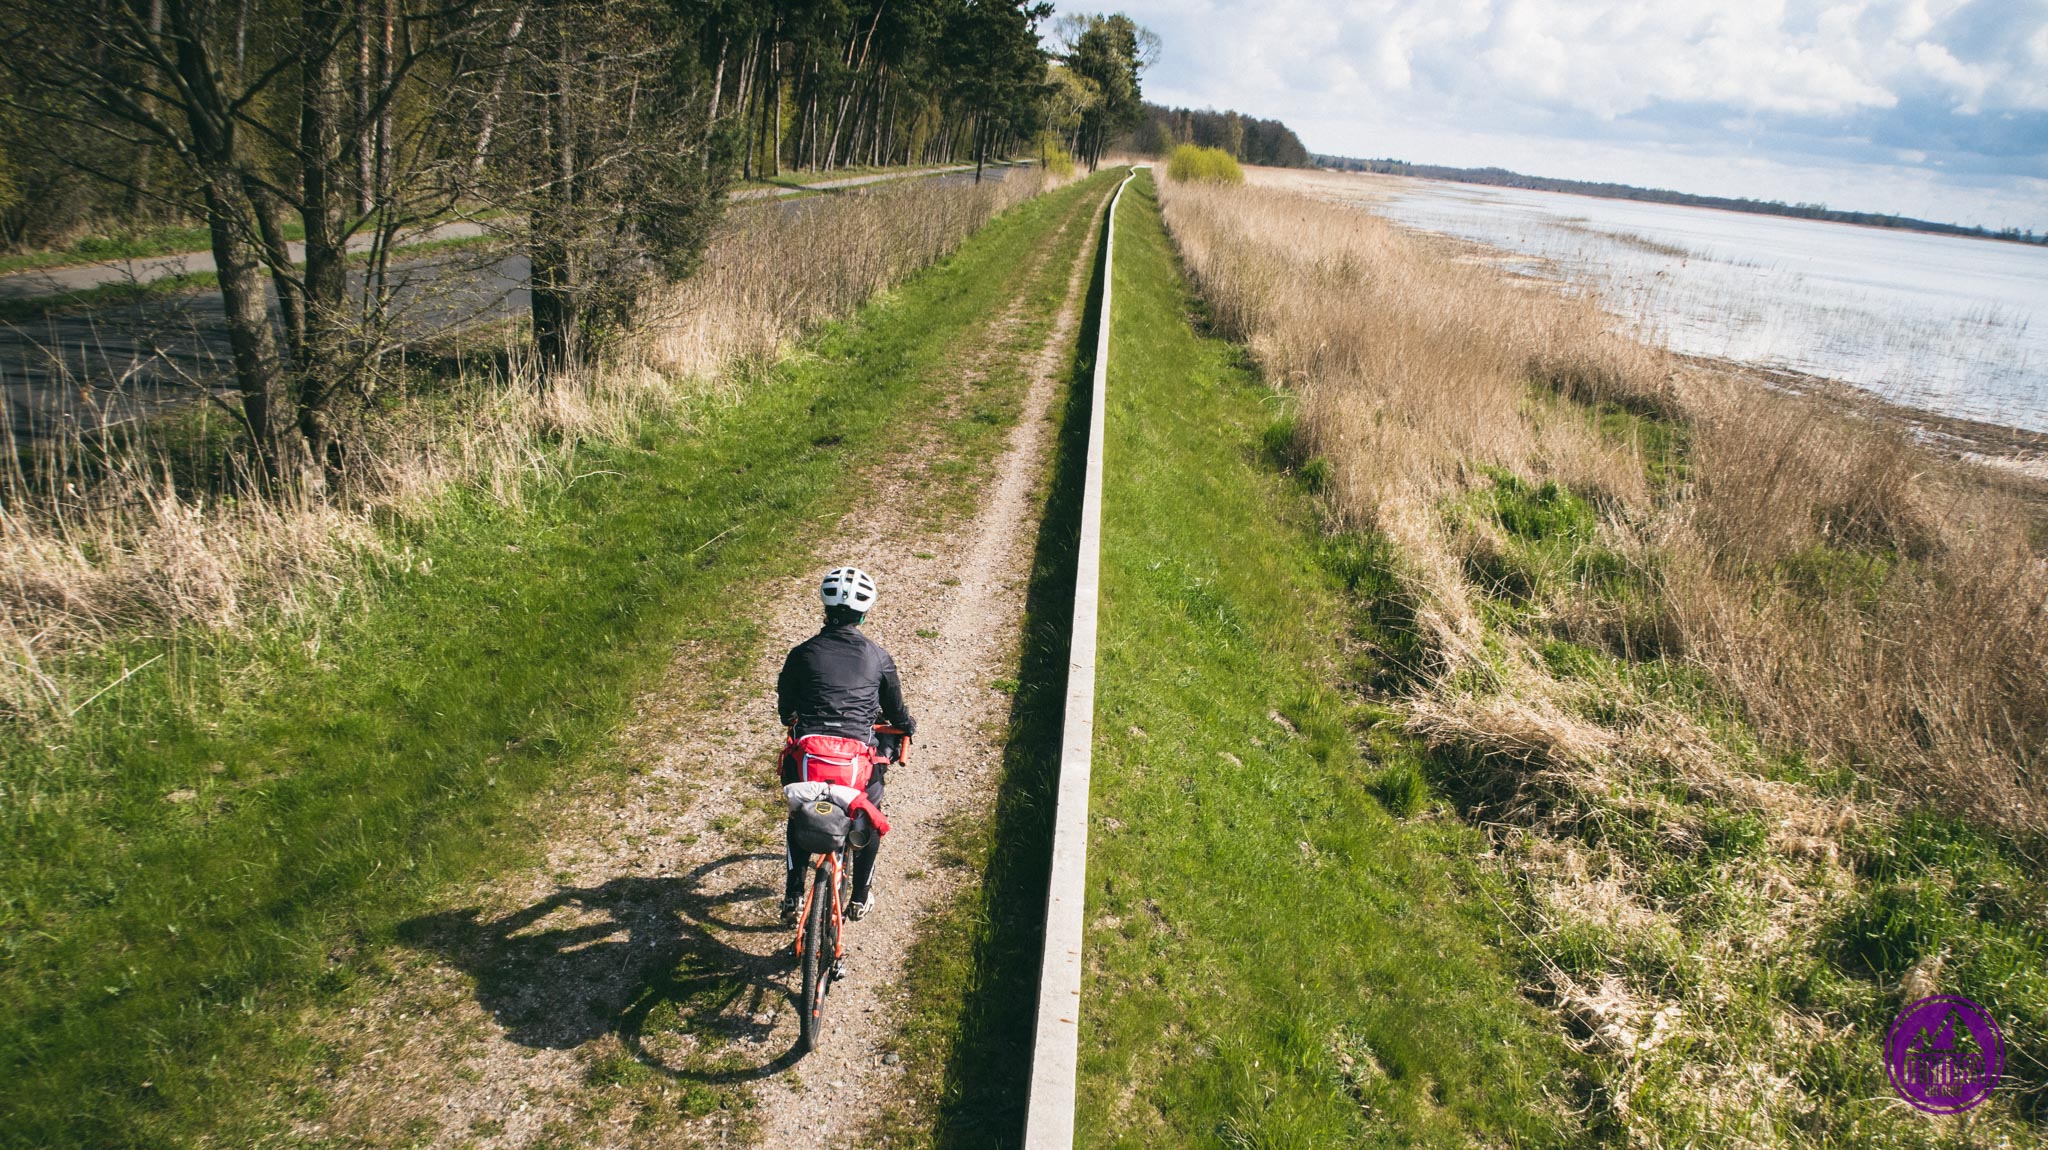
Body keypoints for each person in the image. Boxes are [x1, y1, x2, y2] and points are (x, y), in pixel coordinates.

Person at [776, 565, 916, 923]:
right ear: (864, 613)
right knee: (867, 816)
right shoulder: (878, 657)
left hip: (809, 757)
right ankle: (860, 897)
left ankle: (793, 892)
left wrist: (793, 716)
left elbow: (785, 707)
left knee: (799, 808)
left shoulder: (802, 653)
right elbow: (897, 711)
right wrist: (906, 726)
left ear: (824, 608)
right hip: (854, 763)